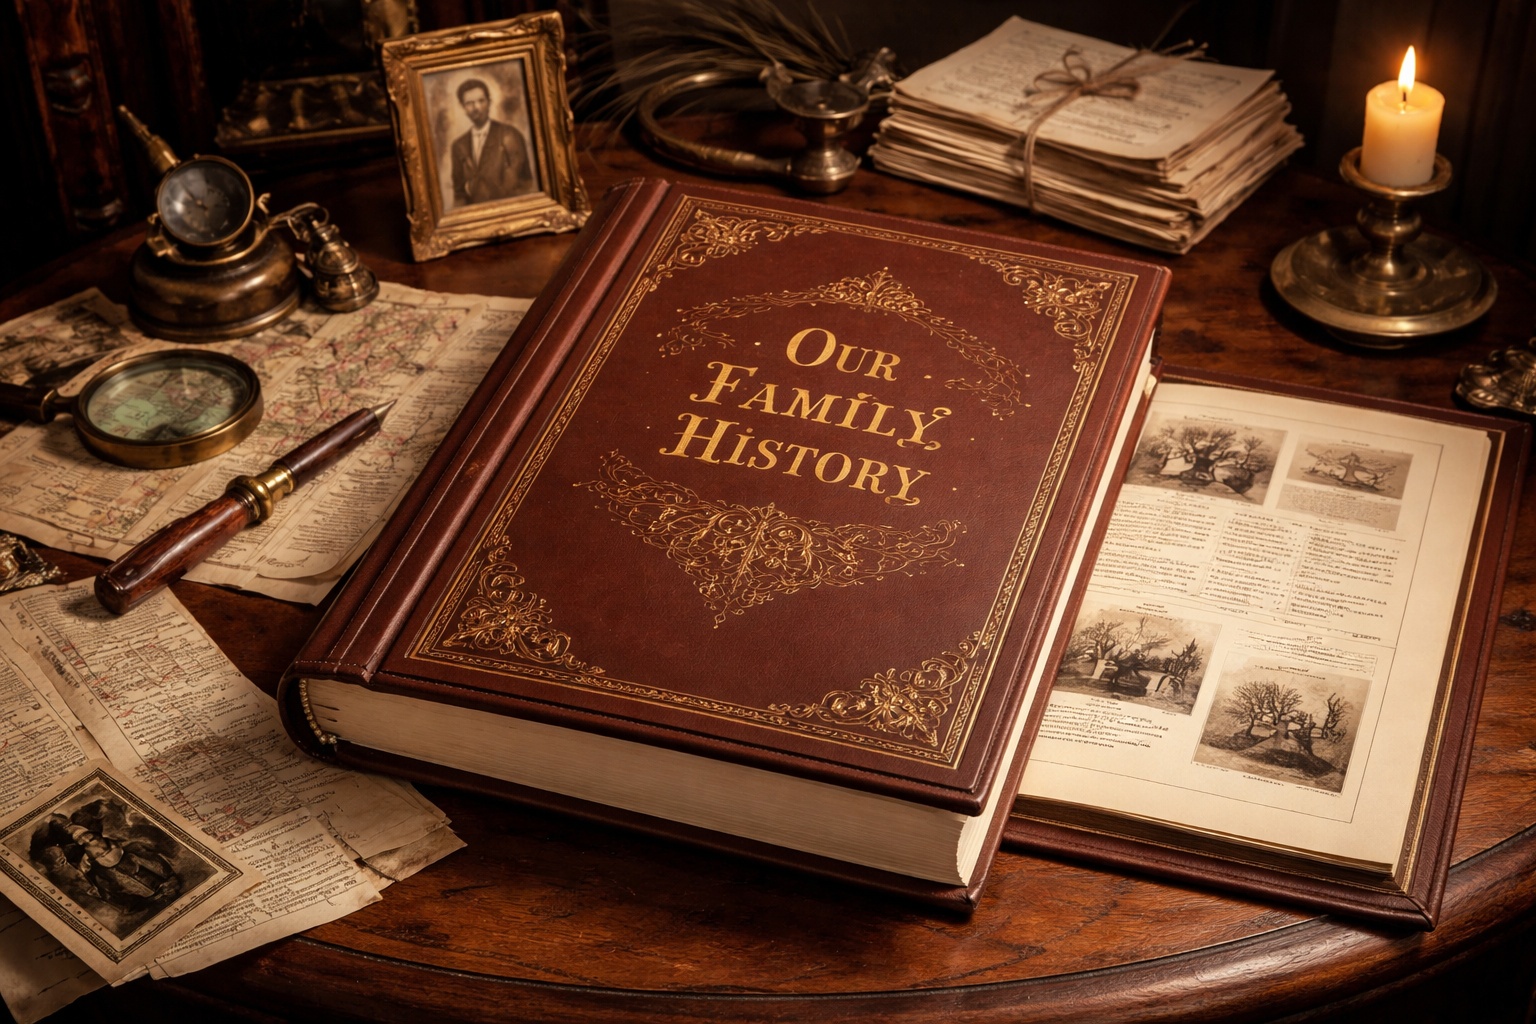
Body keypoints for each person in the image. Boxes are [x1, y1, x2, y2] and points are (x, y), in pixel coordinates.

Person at [449, 78, 533, 207]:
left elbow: (525, 184)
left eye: (481, 101)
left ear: (489, 101)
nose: (476, 107)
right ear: (462, 107)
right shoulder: (459, 145)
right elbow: (459, 194)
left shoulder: (510, 135)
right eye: (469, 103)